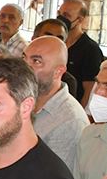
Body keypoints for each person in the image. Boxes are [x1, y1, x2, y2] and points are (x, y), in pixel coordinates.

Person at [23, 36, 89, 171]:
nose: (24, 68)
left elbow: (53, 177)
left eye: (36, 61)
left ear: (58, 72)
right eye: (23, 58)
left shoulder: (70, 120)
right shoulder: (21, 98)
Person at [58, 0, 104, 105]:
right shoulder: (55, 42)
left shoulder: (90, 50)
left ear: (80, 20)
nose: (60, 18)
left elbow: (89, 90)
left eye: (66, 15)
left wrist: (81, 112)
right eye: (59, 13)